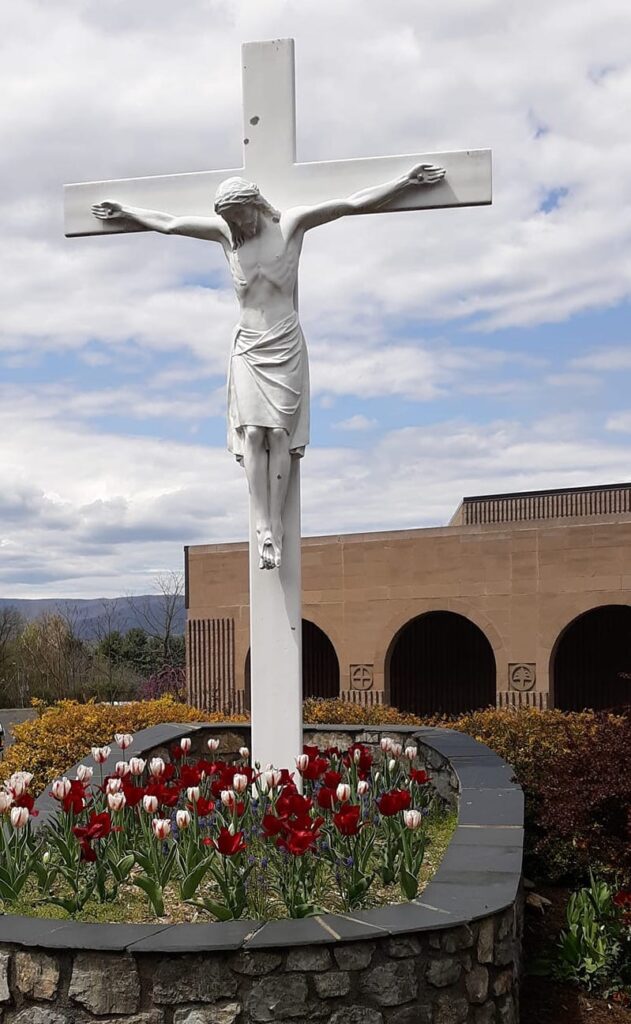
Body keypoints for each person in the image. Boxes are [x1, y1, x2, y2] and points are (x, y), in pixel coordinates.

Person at [91, 162, 445, 569]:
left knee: (279, 434)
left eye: (238, 215)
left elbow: (349, 203)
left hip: (284, 342)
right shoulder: (228, 237)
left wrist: (404, 182)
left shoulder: (291, 225)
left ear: (252, 203)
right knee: (252, 432)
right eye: (228, 219)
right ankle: (261, 526)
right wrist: (127, 212)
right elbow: (170, 223)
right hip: (248, 345)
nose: (235, 224)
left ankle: (274, 521)